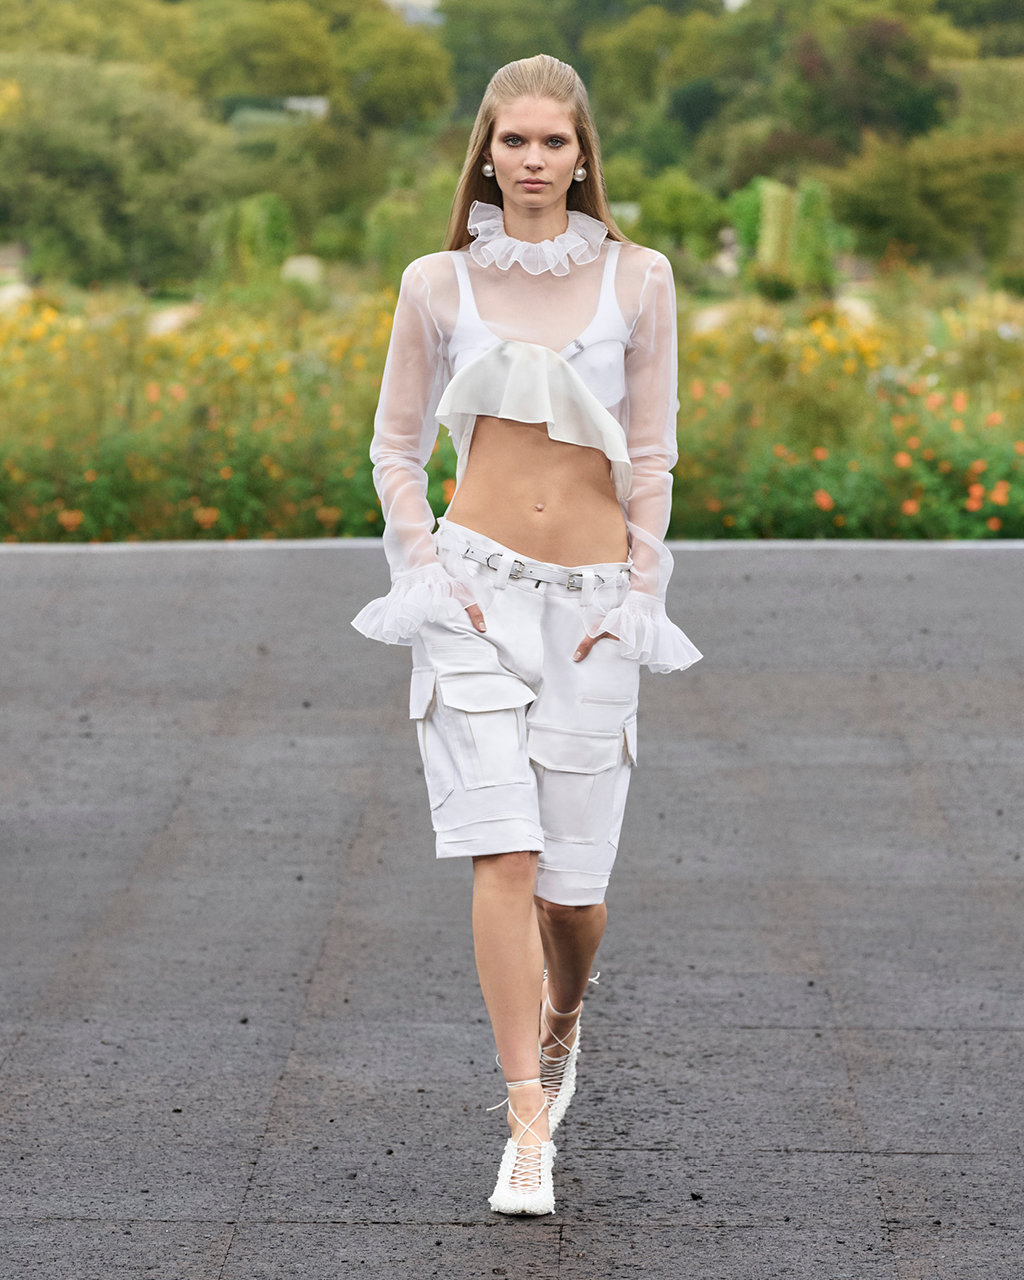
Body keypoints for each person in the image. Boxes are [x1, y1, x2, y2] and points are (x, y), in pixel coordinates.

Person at [353, 54, 701, 1216]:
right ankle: (525, 1121)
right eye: (515, 141)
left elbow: (650, 453)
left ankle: (563, 1015)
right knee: (501, 851)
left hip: (592, 604)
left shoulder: (640, 278)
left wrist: (637, 592)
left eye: (555, 141)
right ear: (487, 153)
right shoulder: (436, 282)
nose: (535, 160)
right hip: (473, 594)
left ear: (584, 154)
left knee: (569, 893)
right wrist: (422, 569)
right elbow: (395, 445)